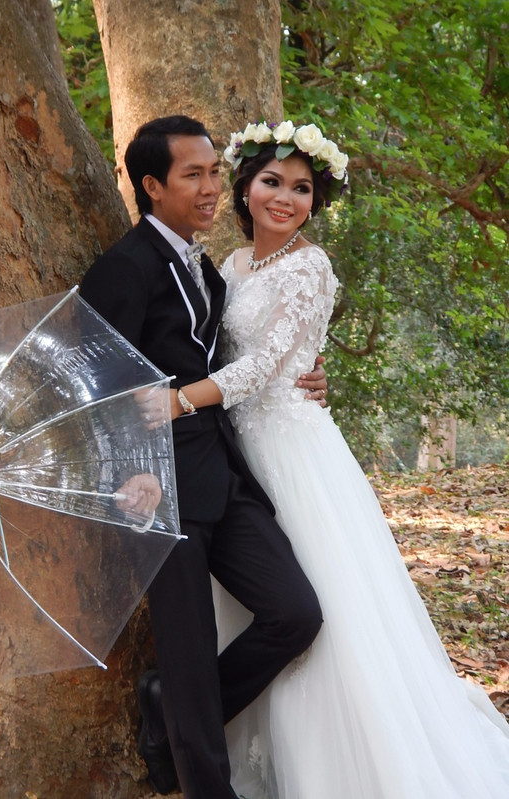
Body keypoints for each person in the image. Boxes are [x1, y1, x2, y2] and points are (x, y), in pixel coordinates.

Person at [171, 119, 509, 798]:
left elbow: (267, 366)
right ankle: (211, 729)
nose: (285, 198)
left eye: (302, 189)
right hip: (234, 450)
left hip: (292, 450)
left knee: (320, 603)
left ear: (314, 203)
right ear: (246, 187)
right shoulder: (230, 266)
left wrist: (176, 402)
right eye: (273, 182)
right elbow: (218, 348)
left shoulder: (311, 266)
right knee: (251, 599)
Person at [79, 115, 327, 799]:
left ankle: (165, 708)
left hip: (225, 468)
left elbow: (234, 356)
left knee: (295, 613)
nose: (212, 186)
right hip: (158, 485)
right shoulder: (123, 268)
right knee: (189, 657)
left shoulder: (207, 268)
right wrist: (131, 471)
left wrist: (307, 370)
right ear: (153, 186)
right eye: (193, 174)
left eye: (215, 171)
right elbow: (93, 383)